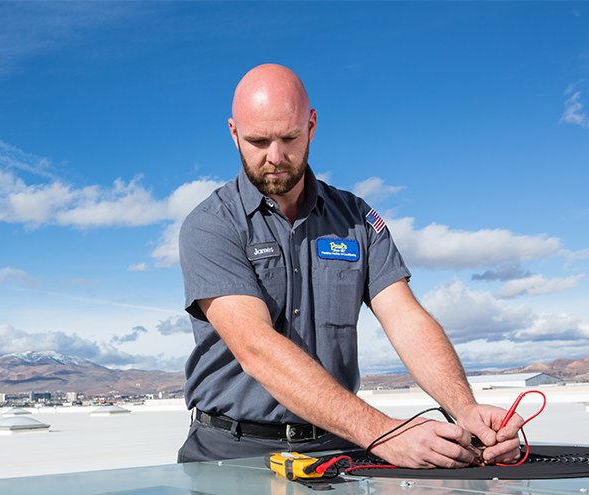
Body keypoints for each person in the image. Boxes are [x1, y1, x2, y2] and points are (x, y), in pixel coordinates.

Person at [177, 64, 524, 467]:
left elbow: (405, 318)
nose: (275, 157)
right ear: (234, 133)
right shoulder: (211, 225)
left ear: (312, 124)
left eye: (289, 137)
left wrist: (464, 409)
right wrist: (384, 433)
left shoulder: (357, 220)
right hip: (232, 452)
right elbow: (256, 348)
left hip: (336, 447)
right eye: (258, 141)